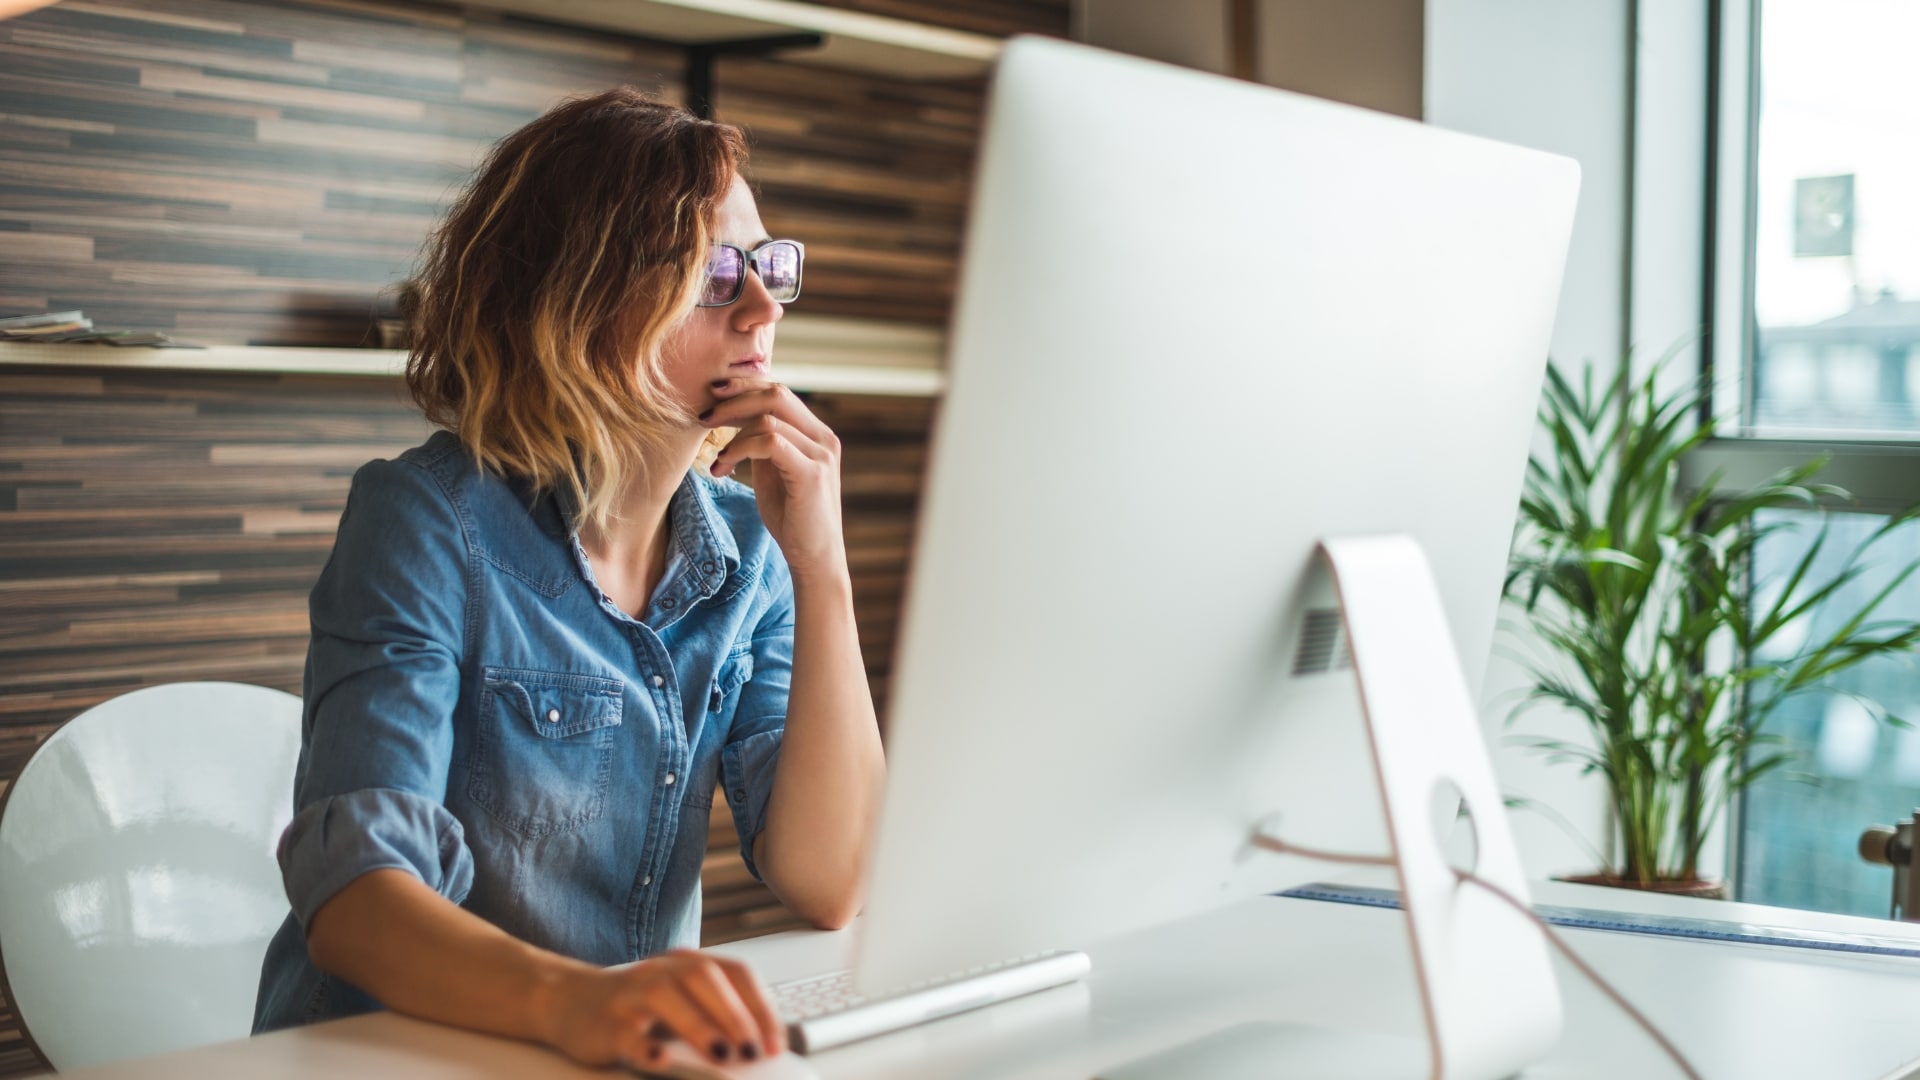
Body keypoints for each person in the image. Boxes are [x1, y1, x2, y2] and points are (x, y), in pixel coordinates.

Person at [252, 87, 886, 1072]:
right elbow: (355, 900)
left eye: (769, 267)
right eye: (719, 274)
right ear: (581, 300)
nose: (765, 307)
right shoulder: (424, 521)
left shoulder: (752, 551)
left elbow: (831, 879)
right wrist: (582, 1004)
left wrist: (823, 567)